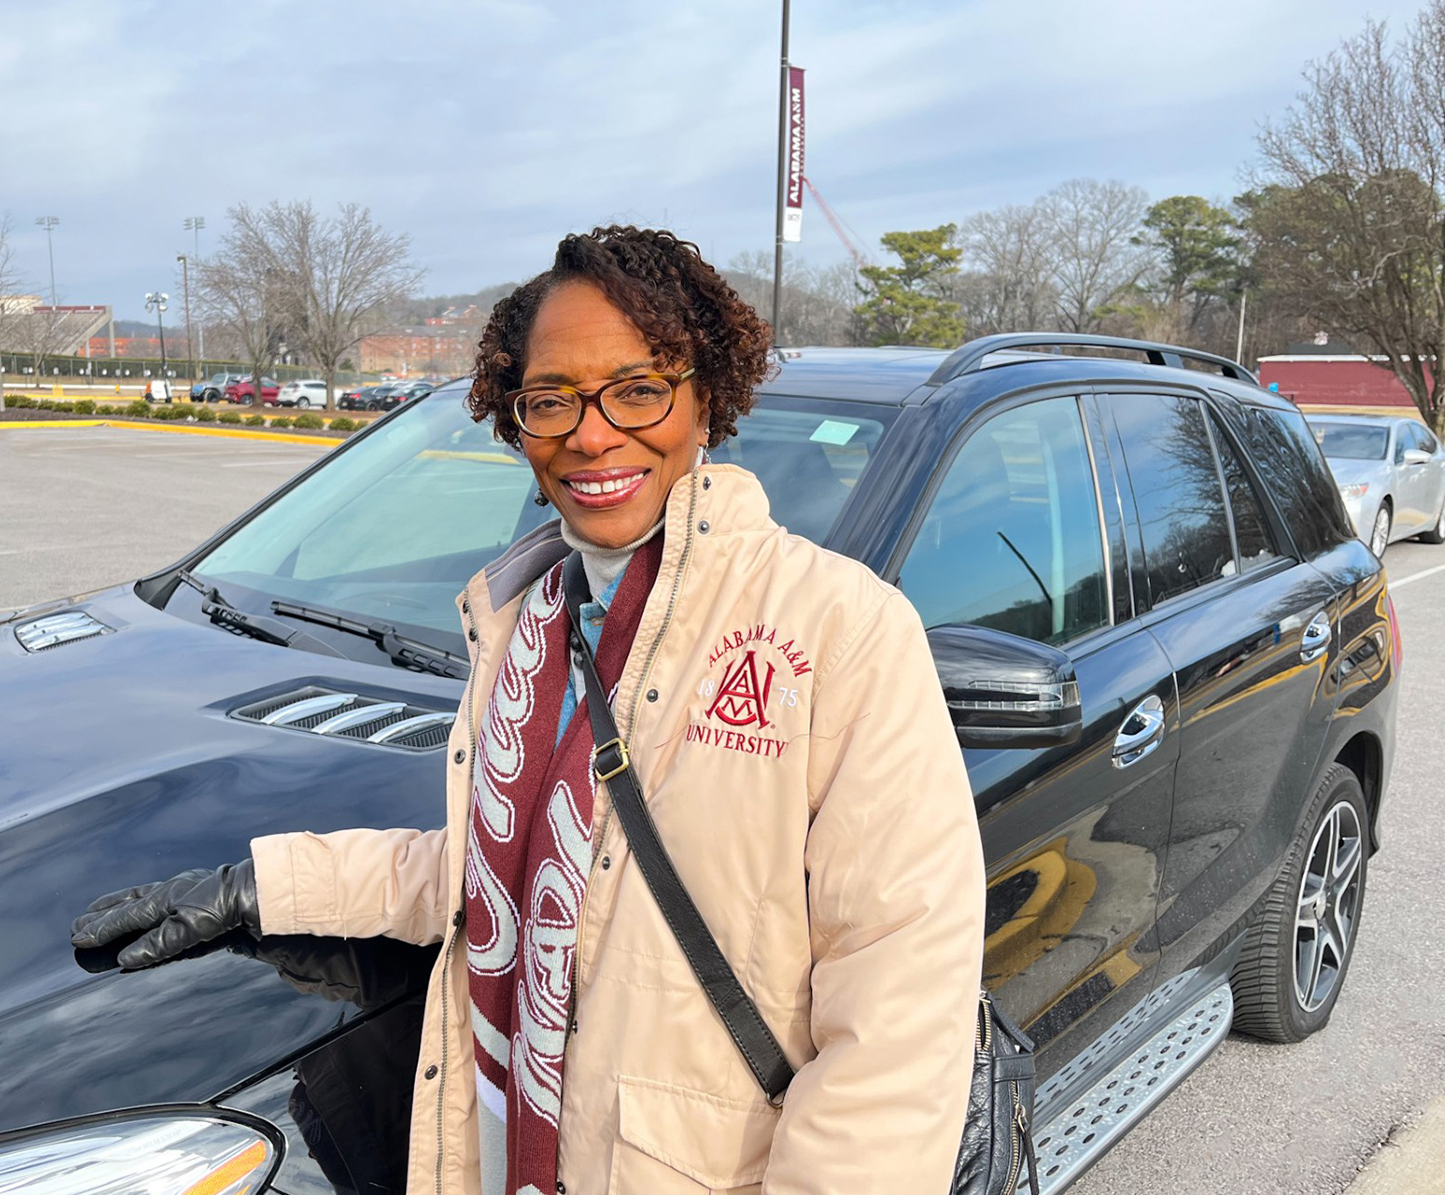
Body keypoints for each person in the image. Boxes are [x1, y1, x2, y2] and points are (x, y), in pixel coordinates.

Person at [72, 225, 986, 1194]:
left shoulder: (835, 628)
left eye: (638, 390)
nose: (592, 435)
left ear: (707, 398)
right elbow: (508, 878)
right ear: (516, 424)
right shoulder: (528, 621)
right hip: (511, 1146)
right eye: (551, 401)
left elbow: (898, 1012)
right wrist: (265, 884)